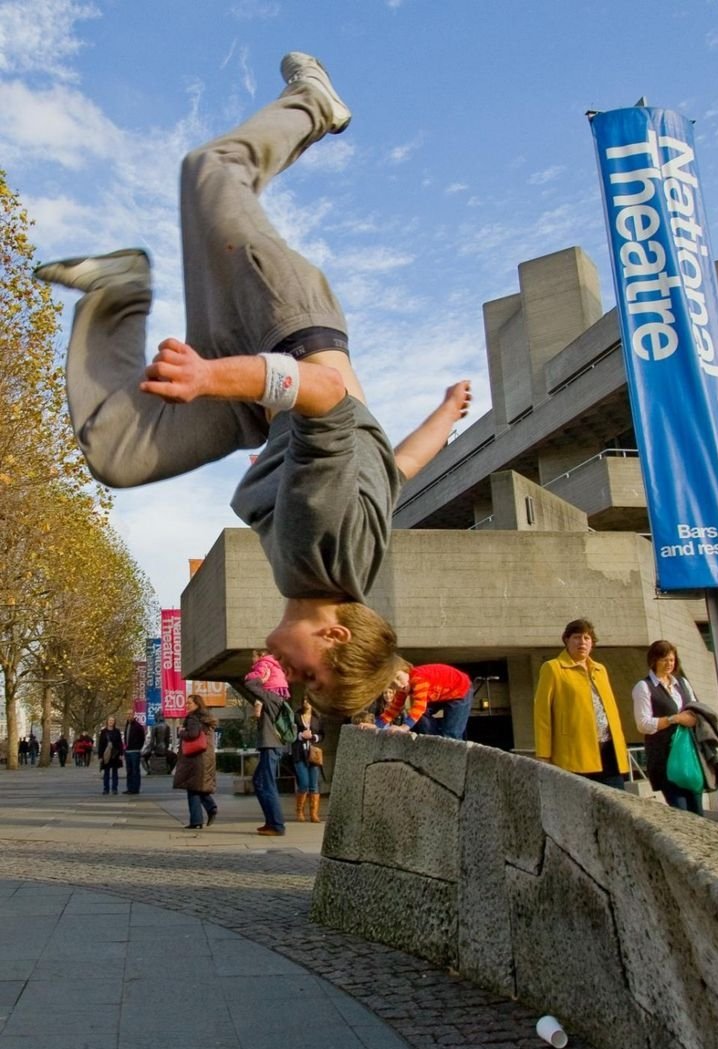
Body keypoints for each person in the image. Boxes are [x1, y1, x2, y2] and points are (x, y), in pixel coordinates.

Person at [34, 52, 471, 719]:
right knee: (209, 170)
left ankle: (120, 288)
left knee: (118, 453)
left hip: (256, 400)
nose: (289, 681)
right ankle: (314, 104)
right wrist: (208, 377)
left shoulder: (347, 564)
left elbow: (398, 465)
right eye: (309, 678)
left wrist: (445, 413)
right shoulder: (317, 547)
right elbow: (325, 391)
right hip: (283, 329)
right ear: (334, 634)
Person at [534, 618, 628, 791]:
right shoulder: (553, 668)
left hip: (608, 751)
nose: (582, 642)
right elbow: (542, 715)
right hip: (575, 754)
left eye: (586, 638)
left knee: (617, 805)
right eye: (577, 637)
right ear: (566, 640)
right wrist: (543, 755)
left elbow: (611, 710)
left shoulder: (600, 670)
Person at [632, 640, 702, 816]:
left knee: (698, 812)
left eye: (671, 660)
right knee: (681, 812)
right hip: (665, 758)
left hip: (689, 756)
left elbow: (695, 709)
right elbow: (643, 724)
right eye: (664, 660)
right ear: (654, 660)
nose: (669, 664)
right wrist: (674, 719)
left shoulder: (682, 683)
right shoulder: (644, 687)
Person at [374, 662, 474, 739]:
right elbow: (394, 708)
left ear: (406, 671)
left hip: (460, 690)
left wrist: (403, 727)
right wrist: (375, 725)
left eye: (399, 678)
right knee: (420, 716)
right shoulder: (402, 688)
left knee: (451, 733)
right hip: (440, 694)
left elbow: (419, 706)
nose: (399, 685)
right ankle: (433, 741)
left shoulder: (419, 678)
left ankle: (449, 749)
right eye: (393, 684)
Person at [247, 685, 291, 836]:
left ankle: (277, 825)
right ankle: (271, 822)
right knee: (259, 782)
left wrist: (261, 678)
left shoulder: (272, 697)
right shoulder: (270, 699)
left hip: (271, 746)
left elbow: (250, 683)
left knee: (267, 784)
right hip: (269, 746)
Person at [173, 693, 218, 829]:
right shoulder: (205, 718)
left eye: (189, 703)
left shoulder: (193, 718)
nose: (187, 705)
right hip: (205, 757)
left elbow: (192, 734)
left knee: (193, 788)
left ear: (197, 704)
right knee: (197, 787)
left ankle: (199, 818)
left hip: (195, 757)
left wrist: (181, 732)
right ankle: (208, 811)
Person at [291, 696, 324, 822]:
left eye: (309, 700)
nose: (307, 702)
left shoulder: (317, 717)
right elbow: (290, 733)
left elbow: (322, 734)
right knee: (304, 782)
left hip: (313, 755)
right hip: (299, 753)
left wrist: (314, 737)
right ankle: (299, 811)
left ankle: (314, 814)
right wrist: (300, 735)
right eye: (304, 700)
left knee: (314, 785)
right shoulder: (296, 716)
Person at [97, 716, 124, 795]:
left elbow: (120, 743)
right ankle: (106, 789)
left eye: (112, 720)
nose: (111, 722)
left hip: (115, 754)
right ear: (107, 722)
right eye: (110, 720)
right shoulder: (103, 732)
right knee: (106, 772)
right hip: (107, 754)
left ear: (114, 722)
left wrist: (121, 754)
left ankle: (114, 789)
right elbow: (101, 744)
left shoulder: (117, 731)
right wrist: (100, 756)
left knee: (115, 772)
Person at [123, 711, 146, 794]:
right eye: (127, 714)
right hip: (127, 751)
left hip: (135, 751)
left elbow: (142, 738)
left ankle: (135, 789)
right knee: (129, 771)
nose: (129, 715)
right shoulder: (127, 725)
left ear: (133, 715)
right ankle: (129, 788)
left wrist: (138, 747)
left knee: (135, 771)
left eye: (130, 714)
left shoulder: (138, 726)